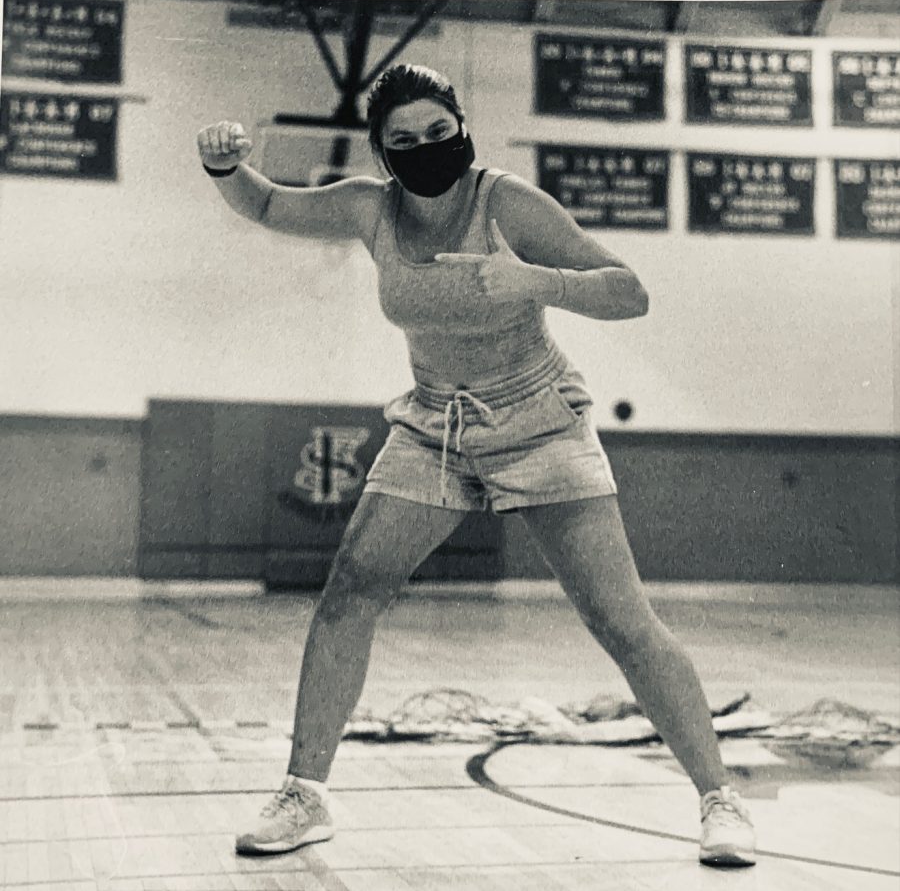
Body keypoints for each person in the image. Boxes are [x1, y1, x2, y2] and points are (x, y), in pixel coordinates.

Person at [196, 64, 756, 868]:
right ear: (383, 155)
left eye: (438, 131)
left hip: (540, 421)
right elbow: (266, 203)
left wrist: (534, 279)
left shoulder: (509, 203)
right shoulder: (369, 208)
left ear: (462, 126)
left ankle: (720, 800)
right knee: (350, 590)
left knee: (621, 621)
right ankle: (304, 795)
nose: (426, 148)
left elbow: (629, 292)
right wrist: (224, 164)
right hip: (435, 426)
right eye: (404, 141)